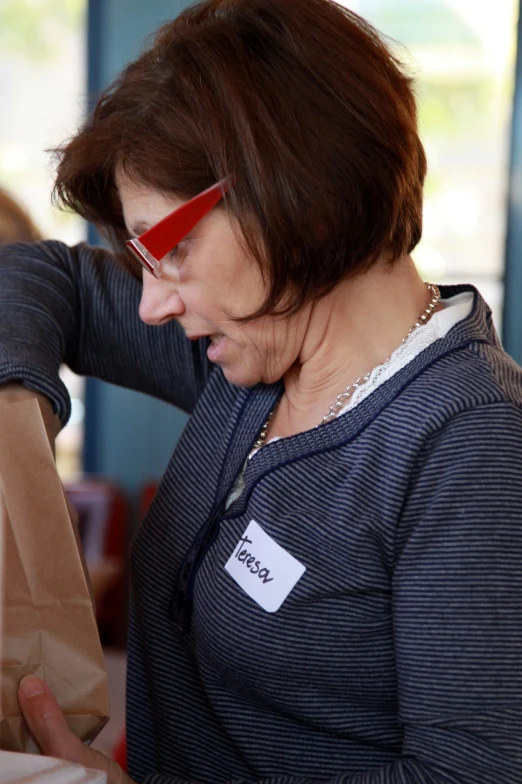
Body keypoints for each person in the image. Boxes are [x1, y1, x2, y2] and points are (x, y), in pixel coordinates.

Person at [1, 0, 521, 782]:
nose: (151, 305)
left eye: (168, 249)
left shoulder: (471, 445)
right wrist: (15, 415)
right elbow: (45, 279)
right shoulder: (251, 353)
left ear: (296, 197)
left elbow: (467, 773)